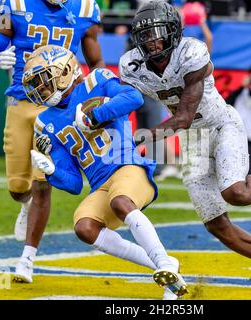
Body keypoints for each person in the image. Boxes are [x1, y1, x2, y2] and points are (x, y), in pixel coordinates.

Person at [119, 0, 251, 294]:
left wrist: (134, 140)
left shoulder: (191, 52)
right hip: (193, 140)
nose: (151, 42)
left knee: (236, 193)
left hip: (221, 126)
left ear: (173, 32)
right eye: (145, 36)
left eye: (157, 34)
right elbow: (123, 100)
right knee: (216, 225)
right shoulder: (132, 65)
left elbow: (182, 117)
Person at [23, 45, 187, 299]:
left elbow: (134, 98)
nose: (42, 91)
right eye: (37, 86)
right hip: (100, 184)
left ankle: (163, 263)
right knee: (84, 226)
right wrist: (52, 170)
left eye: (44, 82)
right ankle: (166, 265)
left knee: (121, 200)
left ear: (65, 71)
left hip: (129, 167)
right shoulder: (45, 123)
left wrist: (95, 116)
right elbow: (75, 184)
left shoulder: (95, 81)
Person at [0, 0, 105, 283]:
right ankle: (24, 203)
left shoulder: (85, 9)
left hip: (57, 107)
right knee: (17, 187)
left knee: (43, 183)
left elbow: (96, 62)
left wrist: (93, 91)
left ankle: (27, 259)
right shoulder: (15, 5)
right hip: (21, 100)